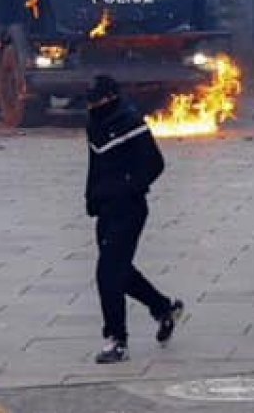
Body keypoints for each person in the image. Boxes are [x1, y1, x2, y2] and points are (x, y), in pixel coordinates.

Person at [84, 75, 183, 363]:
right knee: (120, 271)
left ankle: (117, 340)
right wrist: (91, 197)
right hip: (105, 208)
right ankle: (163, 308)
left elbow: (155, 163)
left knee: (107, 274)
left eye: (99, 98)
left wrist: (129, 186)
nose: (94, 104)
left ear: (111, 97)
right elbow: (95, 165)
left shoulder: (130, 122)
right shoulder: (94, 125)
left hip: (129, 208)